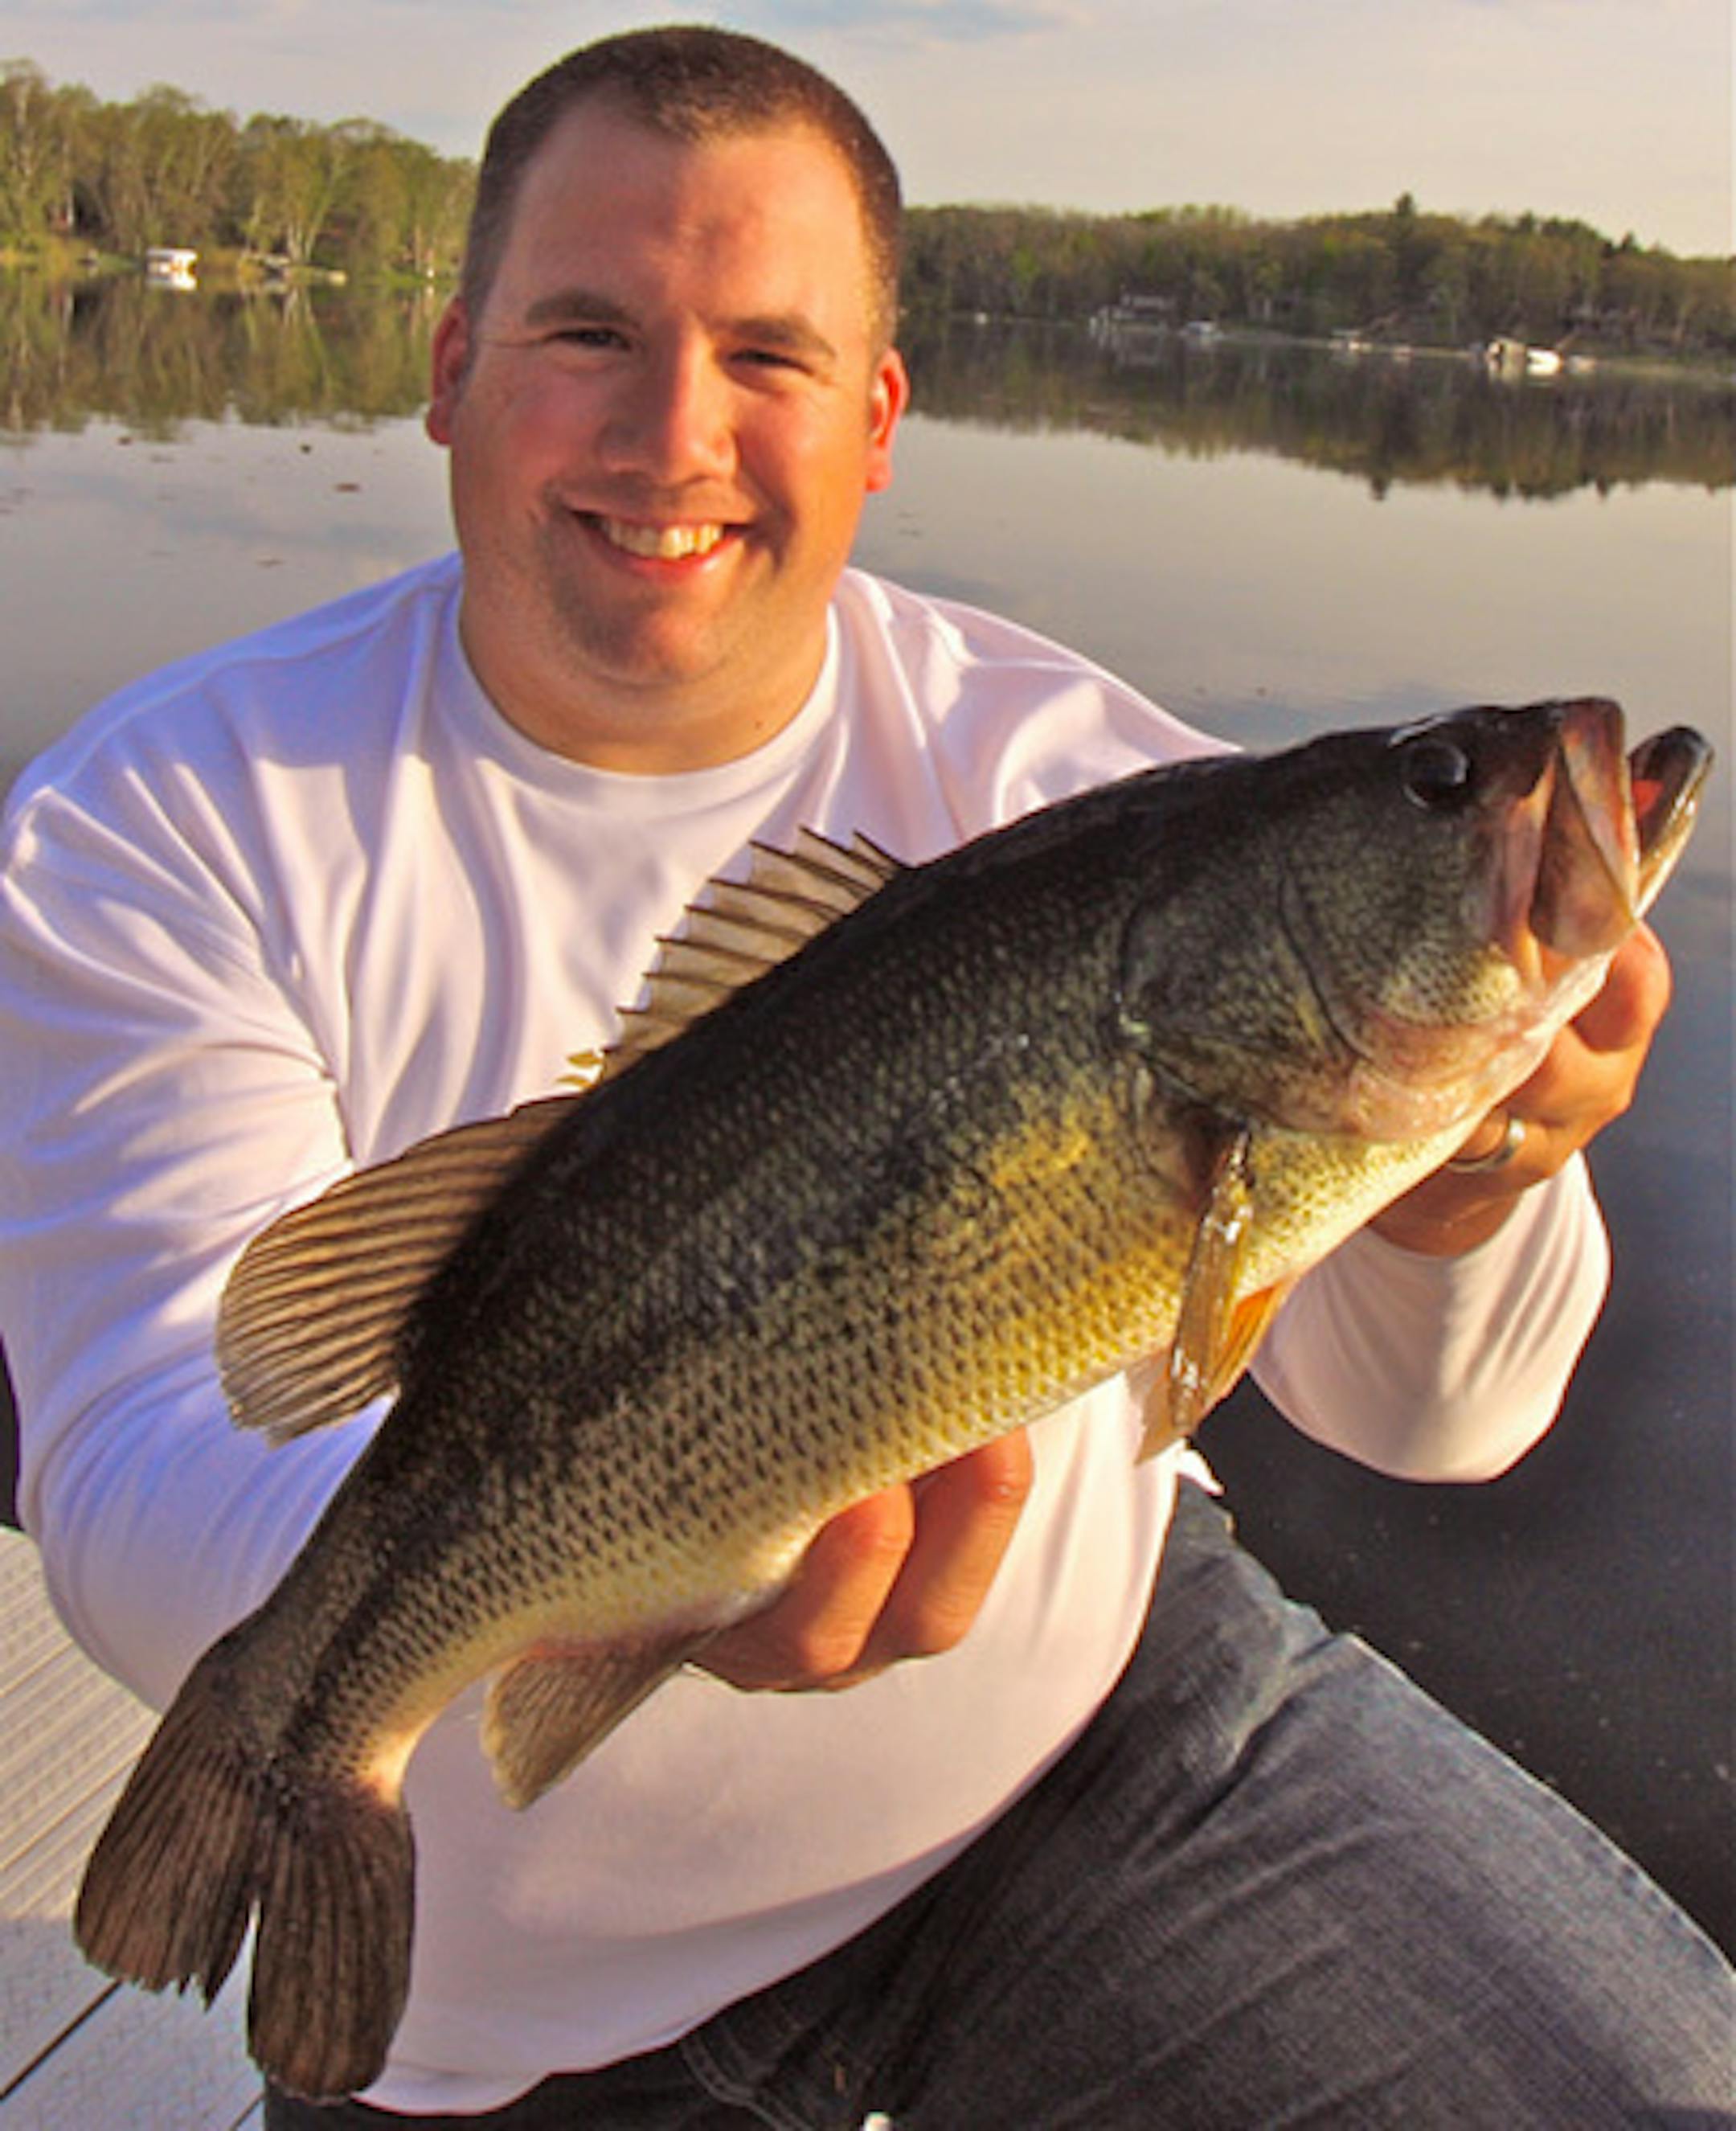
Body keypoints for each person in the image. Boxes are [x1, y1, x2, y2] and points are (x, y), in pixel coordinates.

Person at [0, 26, 1729, 2129]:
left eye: (771, 356)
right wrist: (624, 1550)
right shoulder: (157, 824)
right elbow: (125, 1464)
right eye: (586, 330)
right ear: (447, 366)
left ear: (882, 414)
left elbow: (1431, 1418)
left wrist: (1466, 1184)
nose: (673, 431)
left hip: (1107, 1759)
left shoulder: (1084, 781)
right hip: (506, 1996)